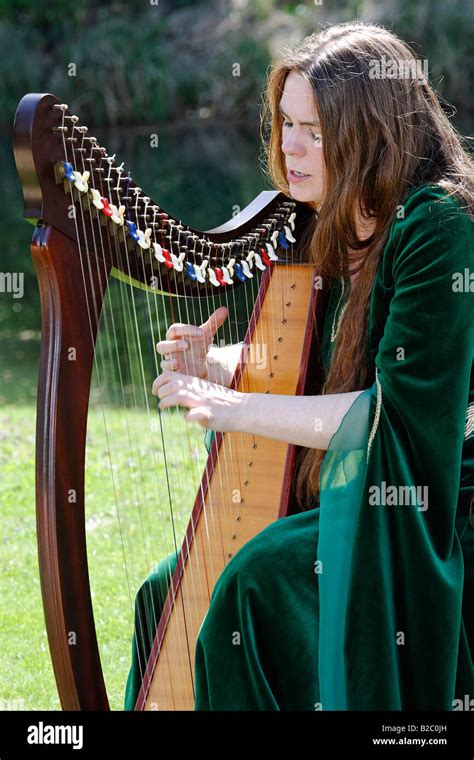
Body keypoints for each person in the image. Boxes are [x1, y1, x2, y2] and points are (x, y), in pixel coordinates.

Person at [125, 20, 473, 710]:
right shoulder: (330, 220)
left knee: (253, 584)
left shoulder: (439, 230)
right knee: (165, 592)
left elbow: (384, 414)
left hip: (418, 507)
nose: (290, 147)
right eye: (285, 124)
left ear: (372, 131)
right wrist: (224, 366)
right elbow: (315, 367)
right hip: (343, 491)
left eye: (315, 130)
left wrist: (238, 407)